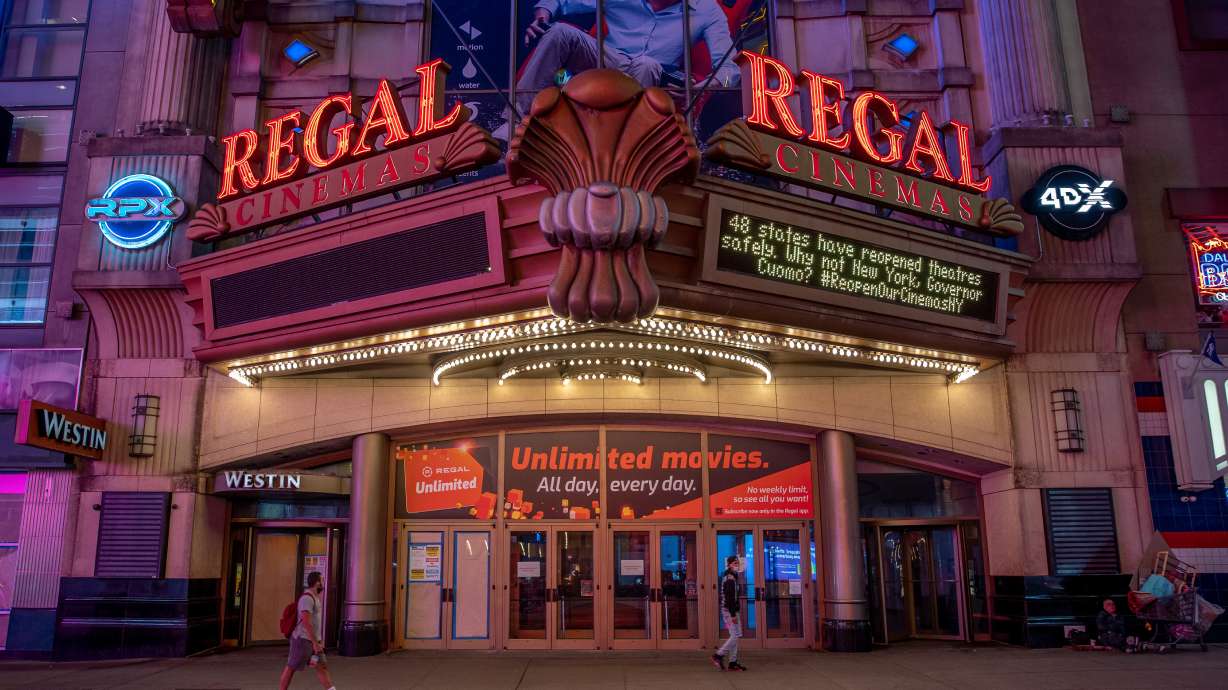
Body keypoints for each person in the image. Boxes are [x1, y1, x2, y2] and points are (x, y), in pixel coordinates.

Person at [518, 0, 741, 112]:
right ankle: (518, 120)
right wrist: (543, 15)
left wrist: (702, 88)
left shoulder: (707, 8)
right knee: (560, 32)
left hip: (653, 74)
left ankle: (627, 143)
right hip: (607, 60)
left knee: (647, 65)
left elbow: (731, 69)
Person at [280, 571, 337, 690]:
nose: (323, 583)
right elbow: (306, 622)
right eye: (322, 580)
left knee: (322, 666)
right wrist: (315, 643)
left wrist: (318, 641)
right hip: (302, 640)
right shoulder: (307, 598)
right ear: (317, 583)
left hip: (313, 641)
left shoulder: (315, 598)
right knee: (291, 667)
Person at [711, 554, 747, 671]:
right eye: (734, 563)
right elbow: (730, 598)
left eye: (738, 563)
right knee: (735, 635)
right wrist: (732, 615)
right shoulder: (730, 578)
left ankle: (733, 662)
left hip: (731, 610)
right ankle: (718, 655)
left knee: (735, 636)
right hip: (729, 611)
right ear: (729, 565)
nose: (737, 565)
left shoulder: (732, 576)